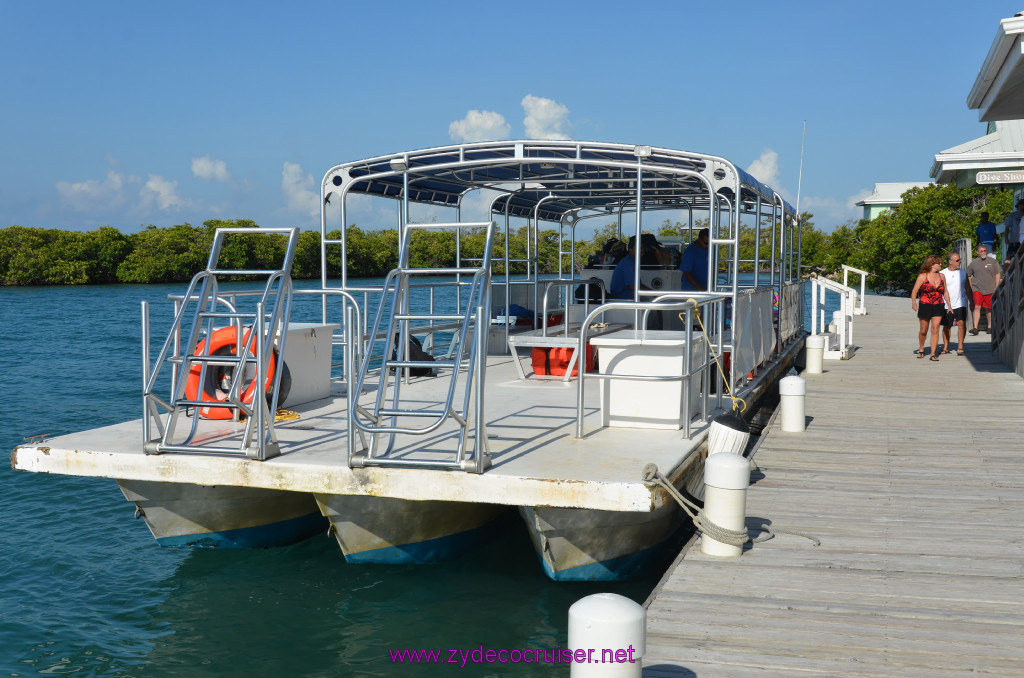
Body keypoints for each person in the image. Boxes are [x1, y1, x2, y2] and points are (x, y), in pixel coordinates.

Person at [911, 254, 952, 361]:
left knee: (935, 328)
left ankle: (933, 354)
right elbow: (915, 290)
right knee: (923, 330)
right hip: (925, 304)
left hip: (939, 304)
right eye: (938, 263)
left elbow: (945, 291)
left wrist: (949, 306)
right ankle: (921, 349)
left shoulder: (942, 276)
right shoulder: (923, 276)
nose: (941, 265)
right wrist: (914, 303)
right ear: (932, 264)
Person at [966, 244, 1001, 335]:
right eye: (981, 251)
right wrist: (971, 286)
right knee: (977, 307)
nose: (983, 252)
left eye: (985, 251)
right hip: (977, 288)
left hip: (990, 288)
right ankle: (975, 328)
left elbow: (998, 274)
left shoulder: (992, 261)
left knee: (988, 308)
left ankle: (990, 327)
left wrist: (996, 286)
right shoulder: (973, 263)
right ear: (977, 252)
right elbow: (968, 275)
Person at [940, 252, 970, 355]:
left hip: (961, 302)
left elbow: (967, 287)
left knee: (961, 323)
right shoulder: (942, 273)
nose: (959, 262)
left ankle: (960, 346)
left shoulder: (963, 272)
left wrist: (972, 301)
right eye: (957, 260)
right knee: (947, 325)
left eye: (959, 260)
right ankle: (946, 346)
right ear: (950, 262)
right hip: (946, 303)